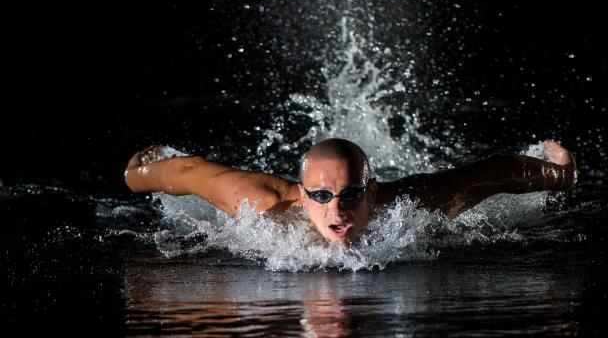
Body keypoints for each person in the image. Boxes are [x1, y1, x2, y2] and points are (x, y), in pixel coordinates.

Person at [124, 138, 578, 245]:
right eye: (320, 196)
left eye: (351, 195)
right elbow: (187, 172)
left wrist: (561, 174)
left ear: (373, 192)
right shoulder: (259, 204)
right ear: (302, 195)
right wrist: (136, 174)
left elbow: (495, 173)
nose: (335, 209)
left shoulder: (411, 206)